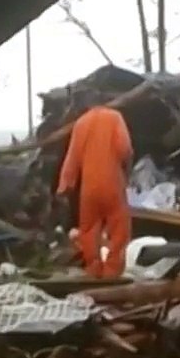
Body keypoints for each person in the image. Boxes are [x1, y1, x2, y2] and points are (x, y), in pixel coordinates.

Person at [57, 102, 133, 278]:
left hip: (88, 188)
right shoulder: (115, 117)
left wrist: (65, 184)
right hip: (113, 184)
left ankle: (93, 269)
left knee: (89, 229)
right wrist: (126, 167)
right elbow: (125, 149)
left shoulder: (81, 122)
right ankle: (112, 271)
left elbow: (72, 157)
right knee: (118, 228)